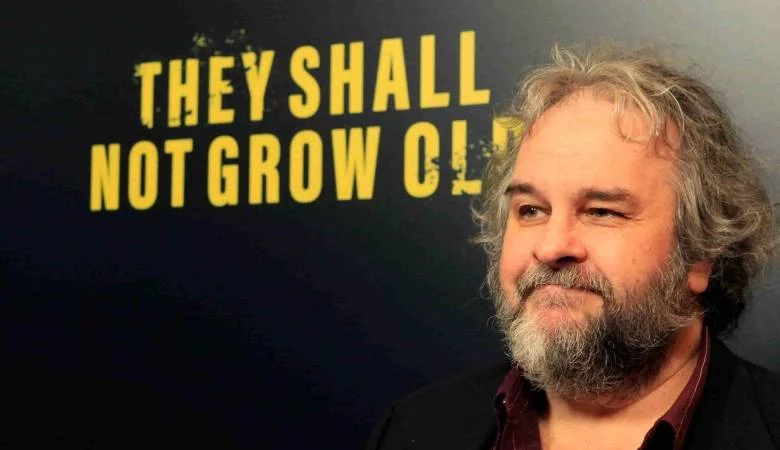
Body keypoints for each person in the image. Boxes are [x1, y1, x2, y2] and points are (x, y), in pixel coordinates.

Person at [366, 44, 780, 450]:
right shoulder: (411, 428)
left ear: (702, 252)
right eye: (531, 210)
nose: (551, 247)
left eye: (601, 211)